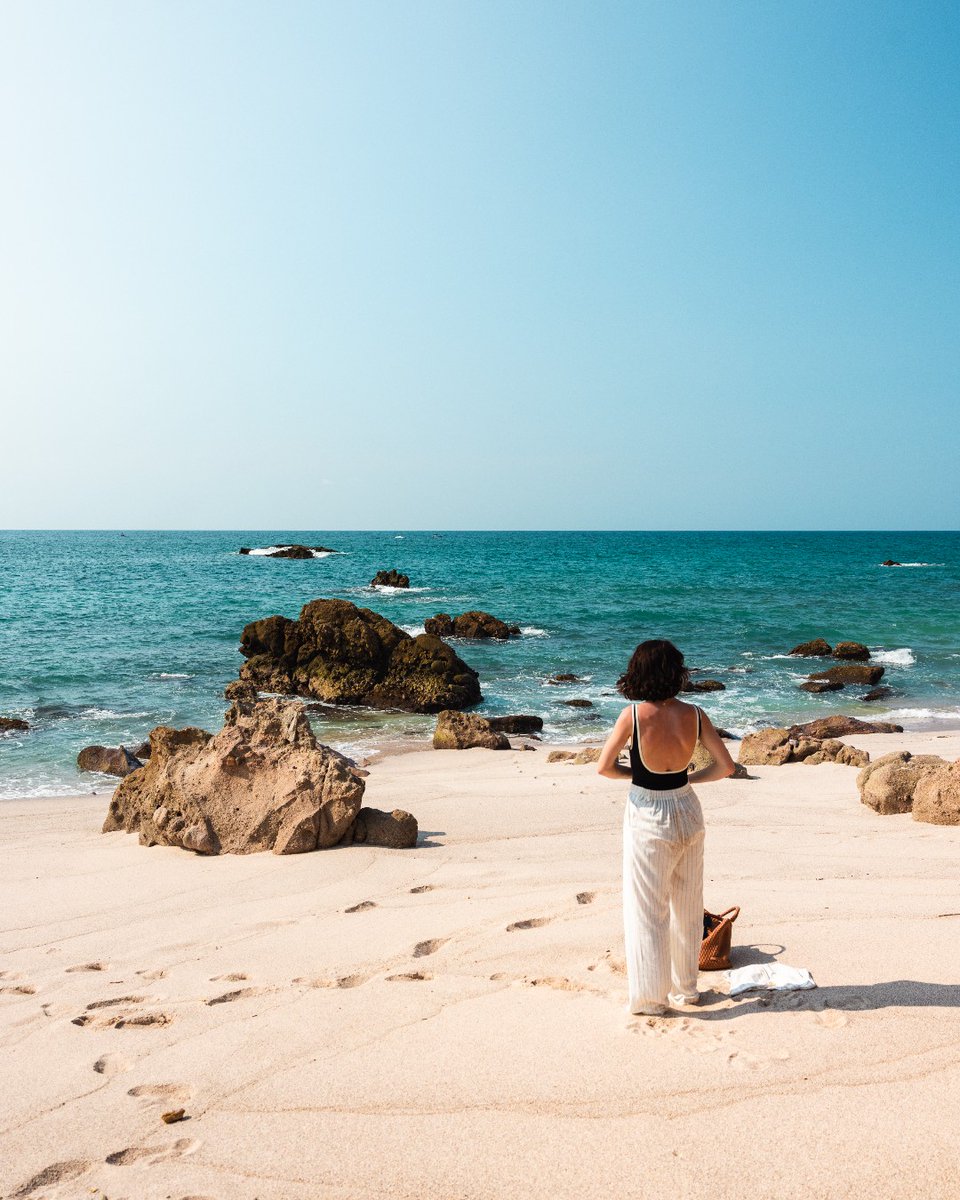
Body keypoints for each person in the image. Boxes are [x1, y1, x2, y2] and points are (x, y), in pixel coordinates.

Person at [596, 639, 735, 1016]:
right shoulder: (696, 714)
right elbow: (725, 767)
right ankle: (686, 991)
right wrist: (689, 780)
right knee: (688, 907)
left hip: (647, 813)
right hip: (688, 808)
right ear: (676, 673)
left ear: (638, 673)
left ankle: (650, 1000)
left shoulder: (633, 716)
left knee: (648, 910)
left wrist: (636, 774)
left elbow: (604, 767)